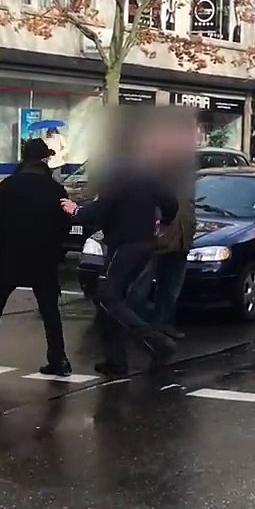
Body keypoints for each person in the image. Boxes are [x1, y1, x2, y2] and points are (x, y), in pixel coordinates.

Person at [61, 116, 180, 375]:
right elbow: (171, 202)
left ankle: (156, 341)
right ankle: (116, 360)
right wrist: (162, 225)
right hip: (144, 244)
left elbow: (102, 207)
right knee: (111, 301)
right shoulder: (146, 173)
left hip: (125, 244)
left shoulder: (116, 176)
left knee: (107, 296)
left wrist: (76, 211)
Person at [0, 139, 70, 374]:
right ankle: (59, 359)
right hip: (44, 258)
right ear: (44, 160)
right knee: (50, 310)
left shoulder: (9, 186)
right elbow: (65, 225)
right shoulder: (55, 189)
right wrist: (57, 251)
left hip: (11, 257)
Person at [129, 145, 197, 341]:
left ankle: (163, 324)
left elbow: (188, 203)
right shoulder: (150, 172)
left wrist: (190, 226)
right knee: (141, 285)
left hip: (181, 237)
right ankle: (138, 327)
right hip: (156, 237)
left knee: (171, 286)